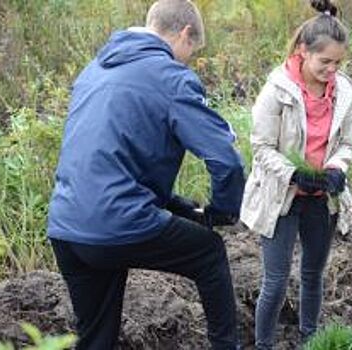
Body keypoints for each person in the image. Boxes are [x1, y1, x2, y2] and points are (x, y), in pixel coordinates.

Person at [46, 1, 245, 349]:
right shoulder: (169, 76)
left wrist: (177, 206)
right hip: (116, 223)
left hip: (66, 227)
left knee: (95, 340)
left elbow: (110, 162)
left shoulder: (93, 70)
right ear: (184, 34)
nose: (187, 60)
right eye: (191, 51)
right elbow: (224, 159)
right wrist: (225, 210)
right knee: (209, 253)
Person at [240, 0, 352, 348]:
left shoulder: (345, 91)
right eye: (325, 62)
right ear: (303, 51)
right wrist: (294, 174)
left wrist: (337, 168)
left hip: (322, 198)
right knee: (275, 281)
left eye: (338, 63)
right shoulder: (277, 90)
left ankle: (310, 340)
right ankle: (264, 345)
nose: (331, 70)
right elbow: (260, 147)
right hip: (283, 197)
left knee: (312, 274)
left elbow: (347, 142)